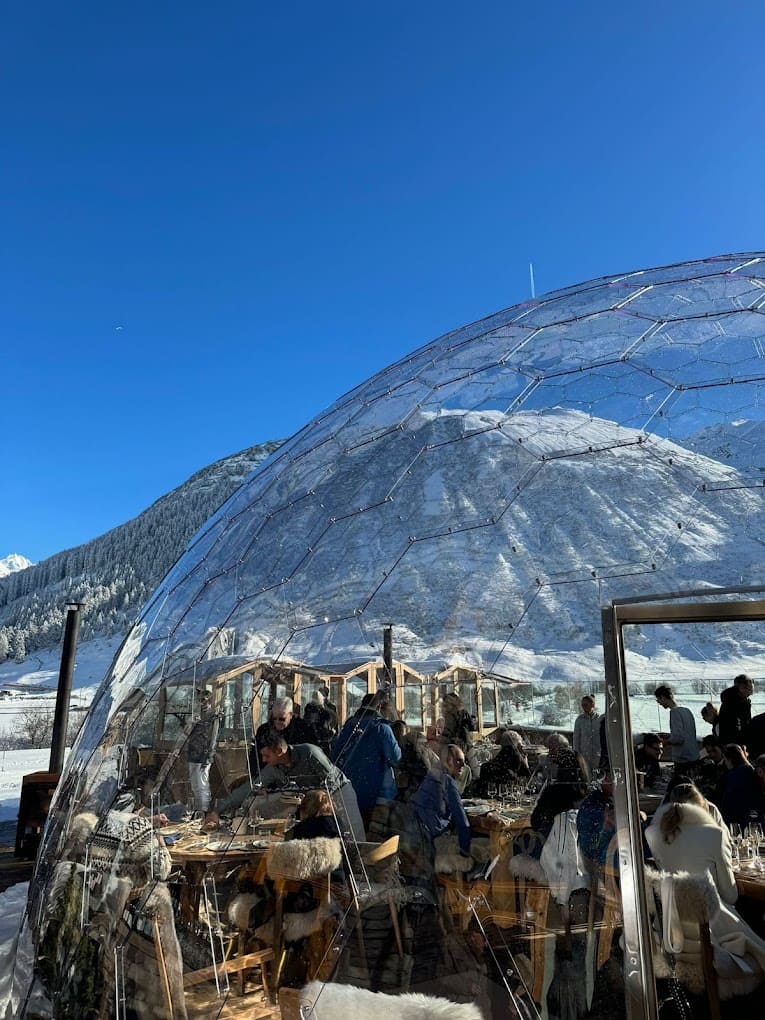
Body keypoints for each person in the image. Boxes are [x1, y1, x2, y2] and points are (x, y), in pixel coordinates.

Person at [209, 735, 366, 842]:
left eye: (267, 755)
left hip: (339, 791)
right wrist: (217, 811)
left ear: (279, 751)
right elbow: (249, 788)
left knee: (352, 835)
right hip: (315, 801)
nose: (263, 760)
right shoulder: (273, 768)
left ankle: (358, 873)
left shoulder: (310, 753)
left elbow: (330, 781)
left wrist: (319, 807)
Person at [646, 783, 737, 901]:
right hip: (710, 910)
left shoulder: (652, 834)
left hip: (673, 910)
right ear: (702, 806)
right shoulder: (716, 835)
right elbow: (730, 896)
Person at [332, 692, 402, 825]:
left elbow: (336, 756)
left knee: (357, 831)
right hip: (379, 792)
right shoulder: (382, 728)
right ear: (379, 707)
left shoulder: (349, 726)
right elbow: (396, 758)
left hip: (351, 788)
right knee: (375, 832)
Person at [411, 744, 472, 860]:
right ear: (448, 761)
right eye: (459, 761)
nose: (463, 765)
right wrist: (465, 852)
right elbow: (462, 821)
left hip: (417, 833)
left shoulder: (431, 775)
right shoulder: (447, 781)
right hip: (433, 837)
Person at [252, 697, 311, 770]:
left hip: (296, 770)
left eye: (282, 719)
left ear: (290, 715)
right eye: (274, 718)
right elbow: (255, 756)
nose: (277, 722)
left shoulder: (303, 729)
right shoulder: (264, 730)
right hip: (268, 771)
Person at [186, 688, 220, 813]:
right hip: (193, 752)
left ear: (209, 700)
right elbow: (188, 733)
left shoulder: (213, 716)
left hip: (203, 753)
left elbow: (213, 736)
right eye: (199, 700)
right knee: (194, 784)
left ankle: (204, 811)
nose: (202, 703)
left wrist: (209, 754)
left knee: (202, 784)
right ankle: (197, 809)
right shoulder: (195, 715)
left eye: (204, 700)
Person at [654, 684, 698, 774]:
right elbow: (687, 734)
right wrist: (670, 736)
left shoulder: (674, 713)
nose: (659, 703)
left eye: (658, 700)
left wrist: (665, 742)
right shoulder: (687, 711)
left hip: (683, 760)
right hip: (693, 757)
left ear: (663, 697)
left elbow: (678, 738)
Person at [719, 743, 760, 829]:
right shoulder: (751, 771)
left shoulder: (733, 776)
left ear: (729, 759)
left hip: (737, 819)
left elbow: (728, 801)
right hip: (755, 816)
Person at [478, 730, 530, 796]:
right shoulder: (516, 754)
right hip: (510, 790)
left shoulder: (501, 755)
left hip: (491, 791)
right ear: (516, 743)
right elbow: (527, 776)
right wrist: (526, 763)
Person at [718, 673, 754, 747]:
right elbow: (738, 725)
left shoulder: (742, 700)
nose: (751, 691)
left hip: (736, 743)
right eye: (749, 688)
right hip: (733, 744)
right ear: (741, 688)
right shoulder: (733, 703)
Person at [572, 694, 601, 778]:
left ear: (593, 705)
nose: (583, 707)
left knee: (598, 777)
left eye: (586, 704)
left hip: (598, 755)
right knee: (587, 777)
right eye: (582, 705)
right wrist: (577, 755)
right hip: (584, 755)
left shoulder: (599, 719)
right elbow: (576, 738)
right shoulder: (579, 720)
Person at [303, 690, 336, 755]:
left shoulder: (308, 710)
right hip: (320, 743)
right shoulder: (325, 713)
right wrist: (331, 733)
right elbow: (324, 730)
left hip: (309, 742)